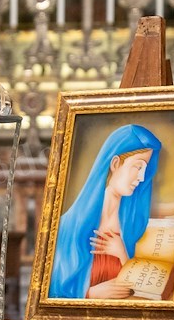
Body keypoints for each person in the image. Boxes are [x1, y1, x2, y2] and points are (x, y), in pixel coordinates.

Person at [48, 124, 162, 300]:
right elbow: (52, 293)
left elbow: (149, 289)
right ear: (115, 163)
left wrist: (122, 254)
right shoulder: (69, 226)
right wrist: (89, 294)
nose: (141, 178)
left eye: (145, 170)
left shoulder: (135, 225)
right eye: (138, 167)